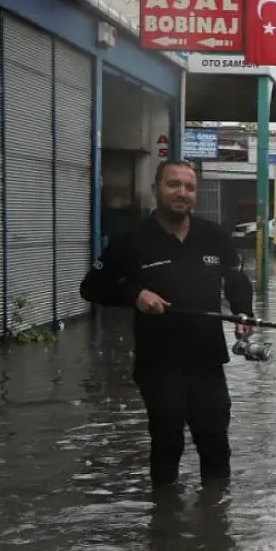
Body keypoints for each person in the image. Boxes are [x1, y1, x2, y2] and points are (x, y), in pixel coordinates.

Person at [80, 160, 254, 488]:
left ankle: (214, 522)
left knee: (216, 443)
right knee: (167, 443)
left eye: (189, 187)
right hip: (158, 364)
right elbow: (91, 287)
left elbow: (236, 279)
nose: (182, 193)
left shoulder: (213, 236)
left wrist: (243, 313)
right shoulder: (131, 239)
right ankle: (162, 521)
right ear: (156, 190)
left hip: (208, 361)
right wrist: (135, 293)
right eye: (173, 185)